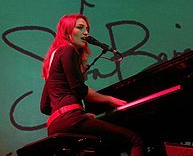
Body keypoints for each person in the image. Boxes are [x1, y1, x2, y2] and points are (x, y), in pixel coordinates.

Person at [40, 13, 147, 156]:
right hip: (71, 119)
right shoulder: (68, 50)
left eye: (87, 29)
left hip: (54, 125)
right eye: (80, 28)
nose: (86, 33)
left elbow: (45, 107)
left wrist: (77, 113)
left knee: (107, 147)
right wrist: (109, 99)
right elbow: (78, 88)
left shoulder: (52, 61)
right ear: (67, 31)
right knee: (135, 139)